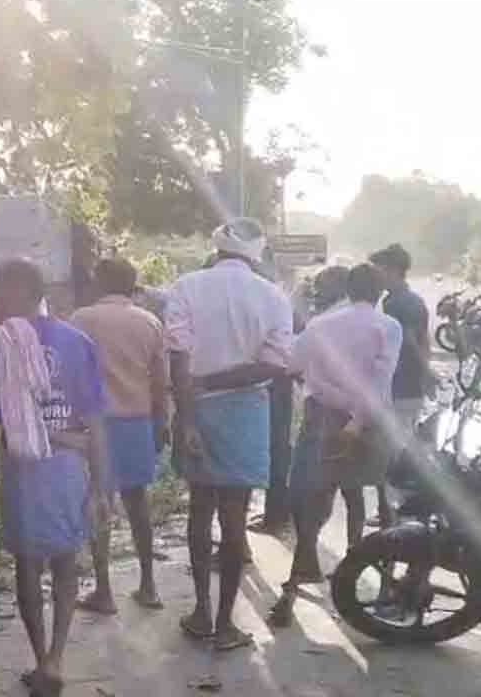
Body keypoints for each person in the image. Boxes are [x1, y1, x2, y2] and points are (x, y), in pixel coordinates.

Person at [165, 219, 293, 651]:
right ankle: (225, 626)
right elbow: (275, 365)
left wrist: (185, 416)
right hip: (245, 413)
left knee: (199, 512)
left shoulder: (186, 286)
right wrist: (218, 382)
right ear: (257, 253)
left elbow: (178, 358)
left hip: (194, 408)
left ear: (216, 247)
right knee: (234, 518)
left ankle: (200, 612)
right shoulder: (273, 297)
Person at [0, 258, 108, 697]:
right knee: (64, 561)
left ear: (17, 291)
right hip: (66, 467)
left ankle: (43, 658)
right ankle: (56, 658)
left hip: (23, 469)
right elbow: (95, 422)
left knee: (27, 566)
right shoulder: (76, 342)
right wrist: (100, 484)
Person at [269, 264, 401, 626]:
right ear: (380, 292)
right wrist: (358, 423)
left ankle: (292, 590)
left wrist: (318, 383)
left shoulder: (321, 325)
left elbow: (292, 363)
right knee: (371, 498)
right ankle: (373, 576)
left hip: (322, 418)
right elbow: (380, 380)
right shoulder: (387, 326)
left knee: (314, 502)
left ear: (347, 288)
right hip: (369, 423)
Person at [71, 258, 168, 613]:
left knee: (99, 504)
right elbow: (160, 382)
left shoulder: (82, 320)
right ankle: (149, 584)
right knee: (138, 504)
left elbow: (71, 373)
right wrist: (163, 423)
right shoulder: (149, 322)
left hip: (95, 424)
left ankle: (104, 590)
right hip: (137, 421)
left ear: (99, 282)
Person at [254, 265, 352, 534]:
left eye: (322, 286)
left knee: (307, 474)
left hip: (319, 401)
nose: (317, 292)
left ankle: (296, 532)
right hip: (346, 404)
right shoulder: (351, 315)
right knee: (342, 482)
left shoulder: (326, 320)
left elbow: (294, 361)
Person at [369, 244, 433, 526]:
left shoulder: (395, 304)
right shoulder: (413, 300)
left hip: (399, 385)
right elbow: (423, 340)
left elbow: (408, 339)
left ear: (392, 270)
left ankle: (390, 514)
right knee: (401, 447)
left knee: (390, 452)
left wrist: (424, 370)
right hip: (410, 385)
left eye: (379, 269)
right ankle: (394, 512)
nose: (376, 275)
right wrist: (426, 372)